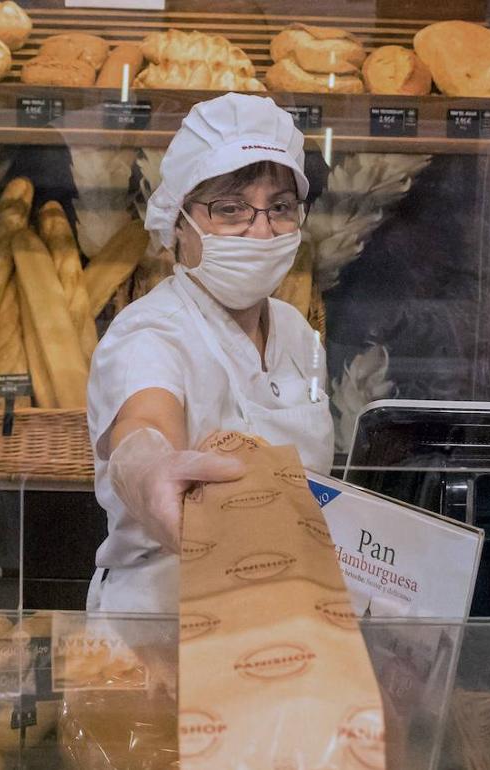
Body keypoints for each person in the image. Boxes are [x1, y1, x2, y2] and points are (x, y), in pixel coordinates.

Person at [85, 93, 333, 614]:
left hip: (282, 611)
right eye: (230, 208)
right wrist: (152, 473)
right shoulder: (151, 330)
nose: (261, 230)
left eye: (281, 207)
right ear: (178, 222)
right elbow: (144, 425)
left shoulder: (295, 331)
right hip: (163, 623)